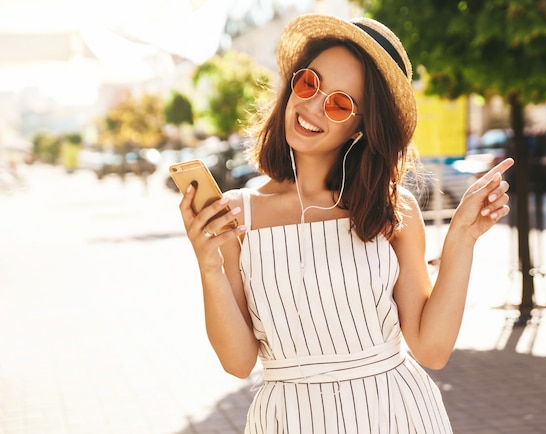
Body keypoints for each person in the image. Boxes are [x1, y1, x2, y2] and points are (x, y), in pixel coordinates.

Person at [177, 13, 514, 434]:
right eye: (309, 84)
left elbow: (432, 349)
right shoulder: (236, 212)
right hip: (289, 420)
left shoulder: (393, 210)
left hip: (397, 414)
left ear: (359, 127)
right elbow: (237, 362)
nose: (313, 106)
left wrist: (463, 237)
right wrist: (209, 266)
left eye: (339, 103)